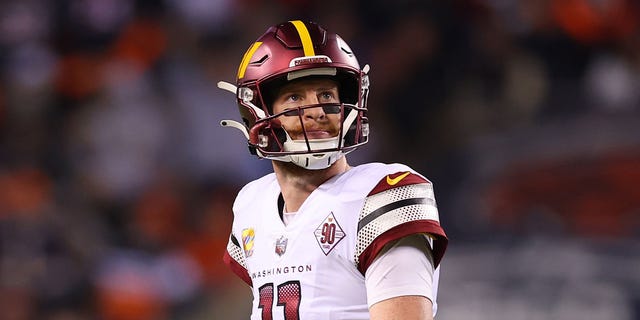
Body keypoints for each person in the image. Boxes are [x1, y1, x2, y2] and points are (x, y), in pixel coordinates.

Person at [218, 20, 448, 320]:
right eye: (295, 97)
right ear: (258, 113)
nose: (316, 110)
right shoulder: (252, 204)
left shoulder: (383, 195)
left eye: (327, 95)